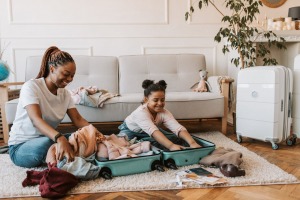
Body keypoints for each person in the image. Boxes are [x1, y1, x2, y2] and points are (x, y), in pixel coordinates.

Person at [8, 46, 90, 168]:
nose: (69, 79)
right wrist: (60, 138)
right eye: (66, 74)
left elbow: (78, 120)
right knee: (51, 142)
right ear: (52, 69)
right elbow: (36, 120)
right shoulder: (31, 87)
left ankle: (59, 155)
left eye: (72, 75)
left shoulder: (65, 94)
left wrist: (98, 135)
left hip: (50, 139)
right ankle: (60, 157)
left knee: (78, 137)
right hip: (21, 147)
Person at [118, 79, 201, 151]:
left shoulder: (164, 112)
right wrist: (171, 146)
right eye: (155, 100)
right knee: (122, 145)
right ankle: (141, 141)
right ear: (146, 99)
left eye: (162, 100)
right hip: (130, 130)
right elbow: (154, 132)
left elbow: (177, 128)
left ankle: (145, 140)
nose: (160, 103)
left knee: (174, 138)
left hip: (149, 130)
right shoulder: (141, 113)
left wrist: (192, 143)